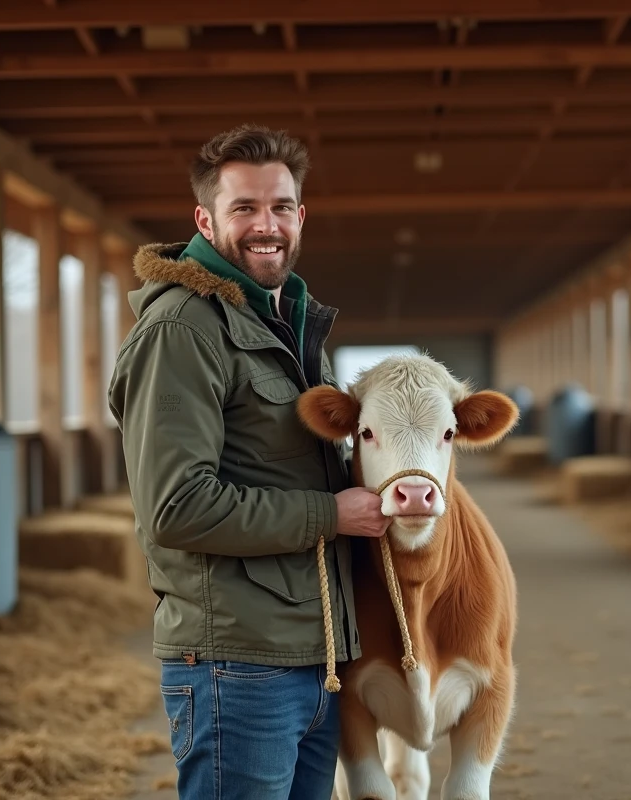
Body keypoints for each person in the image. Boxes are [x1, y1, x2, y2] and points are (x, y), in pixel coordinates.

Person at [107, 124, 390, 799]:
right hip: (237, 665)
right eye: (245, 209)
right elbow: (177, 508)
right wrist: (332, 514)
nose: (267, 226)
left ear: (300, 215)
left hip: (311, 659)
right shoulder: (183, 329)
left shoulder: (283, 322)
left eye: (280, 207)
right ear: (205, 219)